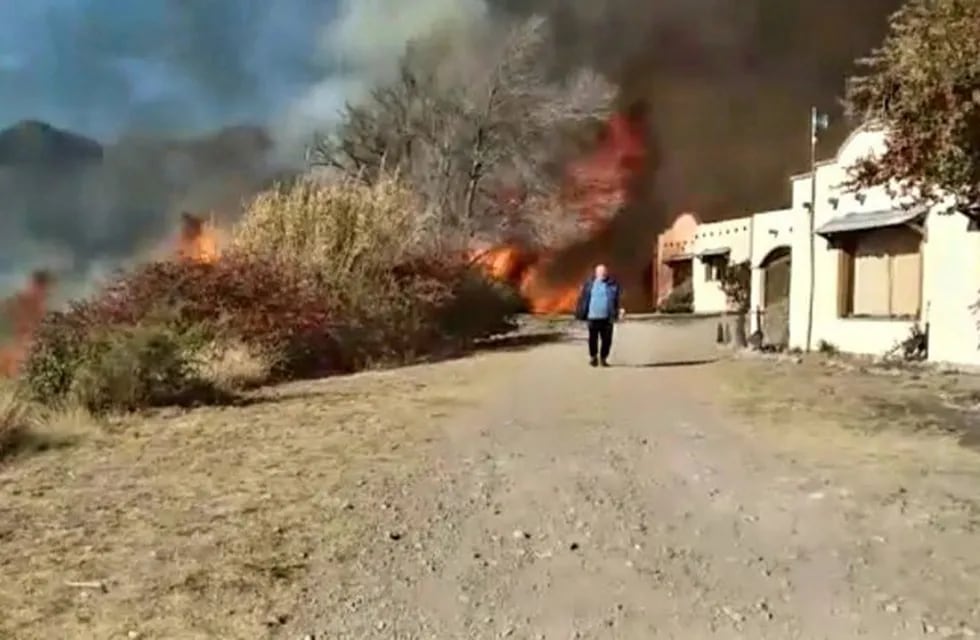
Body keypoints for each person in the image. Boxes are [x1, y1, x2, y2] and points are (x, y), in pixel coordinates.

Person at [574, 264, 623, 367]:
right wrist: (580, 312)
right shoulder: (589, 284)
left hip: (607, 317)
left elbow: (617, 299)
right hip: (593, 316)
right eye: (601, 272)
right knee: (592, 339)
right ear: (596, 273)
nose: (603, 274)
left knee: (607, 340)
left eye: (604, 272)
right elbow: (582, 299)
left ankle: (603, 358)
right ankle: (593, 357)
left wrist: (619, 310)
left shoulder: (612, 285)